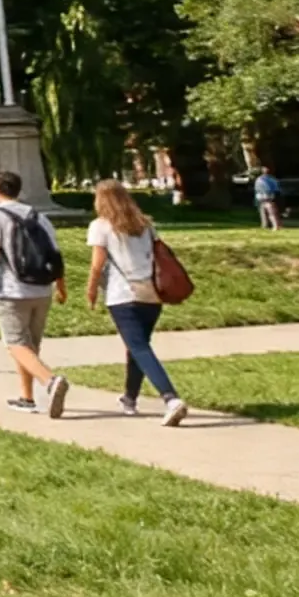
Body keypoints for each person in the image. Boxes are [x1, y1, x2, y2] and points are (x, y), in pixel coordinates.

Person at [87, 178, 189, 426]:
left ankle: (170, 397)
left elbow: (97, 264)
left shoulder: (101, 226)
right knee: (137, 347)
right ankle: (130, 398)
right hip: (152, 293)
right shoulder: (145, 225)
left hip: (122, 294)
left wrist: (91, 290)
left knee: (140, 348)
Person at [0, 170, 70, 417]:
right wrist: (60, 286)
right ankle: (26, 397)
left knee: (15, 344)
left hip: (11, 290)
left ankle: (50, 382)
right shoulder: (40, 217)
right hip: (42, 288)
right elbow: (55, 255)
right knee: (30, 347)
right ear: (19, 190)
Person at [254, 161, 283, 230]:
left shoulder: (259, 180)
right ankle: (271, 225)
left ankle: (271, 225)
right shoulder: (272, 179)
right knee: (270, 212)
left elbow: (258, 189)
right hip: (267, 197)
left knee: (267, 212)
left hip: (263, 197)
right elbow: (277, 189)